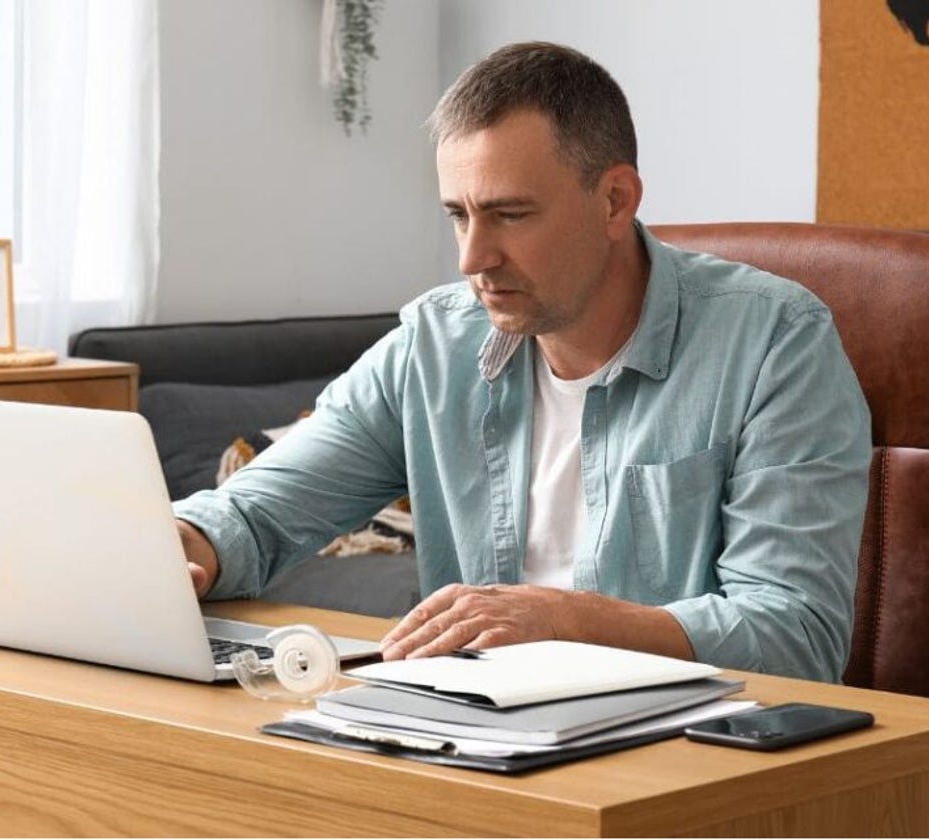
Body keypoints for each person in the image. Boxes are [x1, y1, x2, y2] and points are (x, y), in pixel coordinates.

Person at [173, 42, 871, 683]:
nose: (472, 259)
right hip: (477, 731)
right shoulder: (434, 345)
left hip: (687, 758)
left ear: (615, 200)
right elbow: (258, 515)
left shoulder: (775, 342)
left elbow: (795, 634)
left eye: (509, 215)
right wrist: (185, 543)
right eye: (458, 215)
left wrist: (568, 621)